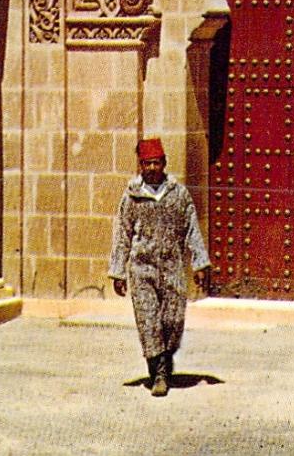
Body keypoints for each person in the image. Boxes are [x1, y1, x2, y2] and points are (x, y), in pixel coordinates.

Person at [108, 137, 209, 396]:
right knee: (148, 320)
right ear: (140, 166)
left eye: (156, 163)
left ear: (164, 163)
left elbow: (192, 229)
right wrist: (118, 271)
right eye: (146, 163)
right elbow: (122, 235)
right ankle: (159, 373)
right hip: (142, 269)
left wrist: (200, 263)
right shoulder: (131, 197)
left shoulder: (179, 194)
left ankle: (165, 359)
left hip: (172, 266)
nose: (151, 168)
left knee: (172, 320)